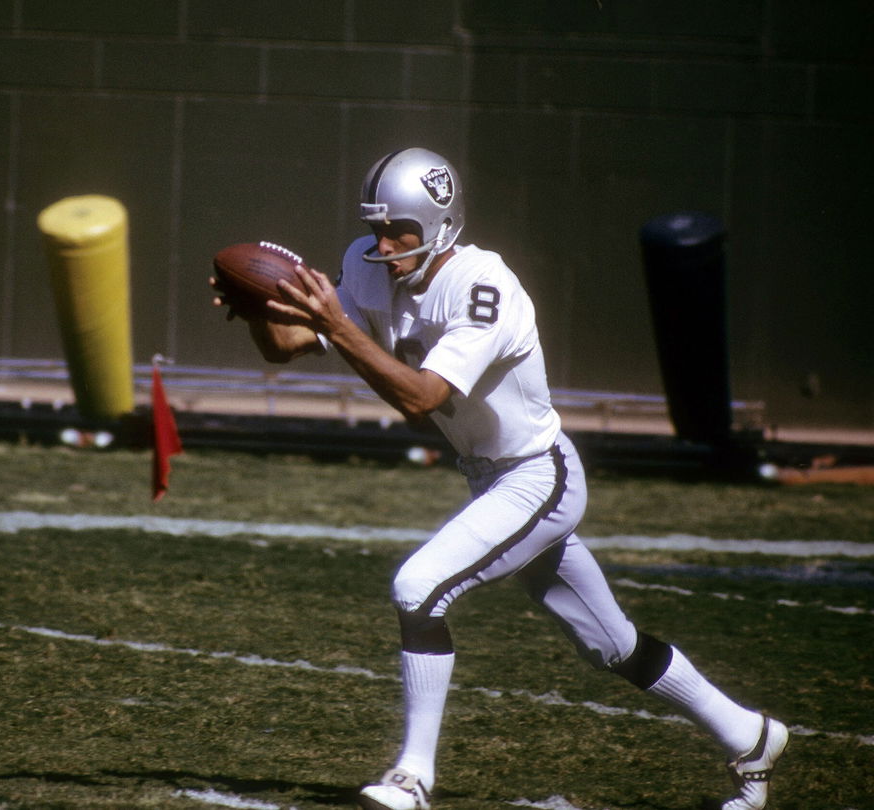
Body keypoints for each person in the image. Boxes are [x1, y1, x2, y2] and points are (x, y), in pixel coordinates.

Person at [210, 148, 787, 810]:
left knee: (418, 588)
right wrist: (254, 307)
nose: (384, 243)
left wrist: (339, 326)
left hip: (538, 477)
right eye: (376, 226)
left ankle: (412, 777)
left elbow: (421, 398)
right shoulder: (370, 274)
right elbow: (285, 347)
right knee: (612, 646)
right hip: (489, 479)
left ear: (441, 224)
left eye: (400, 228)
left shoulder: (485, 286)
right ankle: (750, 735)